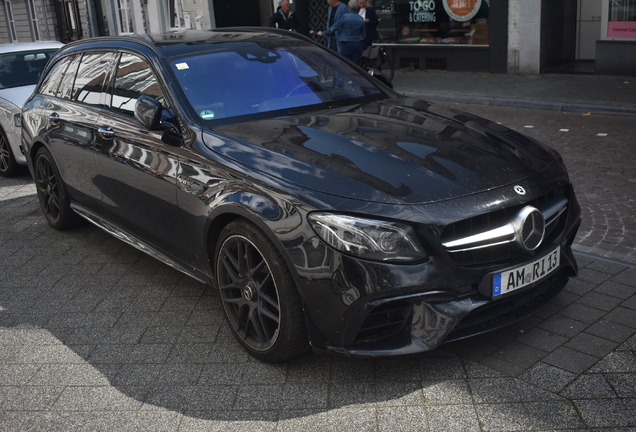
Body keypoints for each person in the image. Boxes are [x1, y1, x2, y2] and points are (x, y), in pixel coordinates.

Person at [319, 0, 366, 65]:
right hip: (358, 43)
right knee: (355, 64)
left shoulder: (345, 17)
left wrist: (322, 33)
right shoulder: (360, 18)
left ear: (349, 8)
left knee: (343, 63)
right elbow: (364, 33)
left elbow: (334, 27)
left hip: (346, 43)